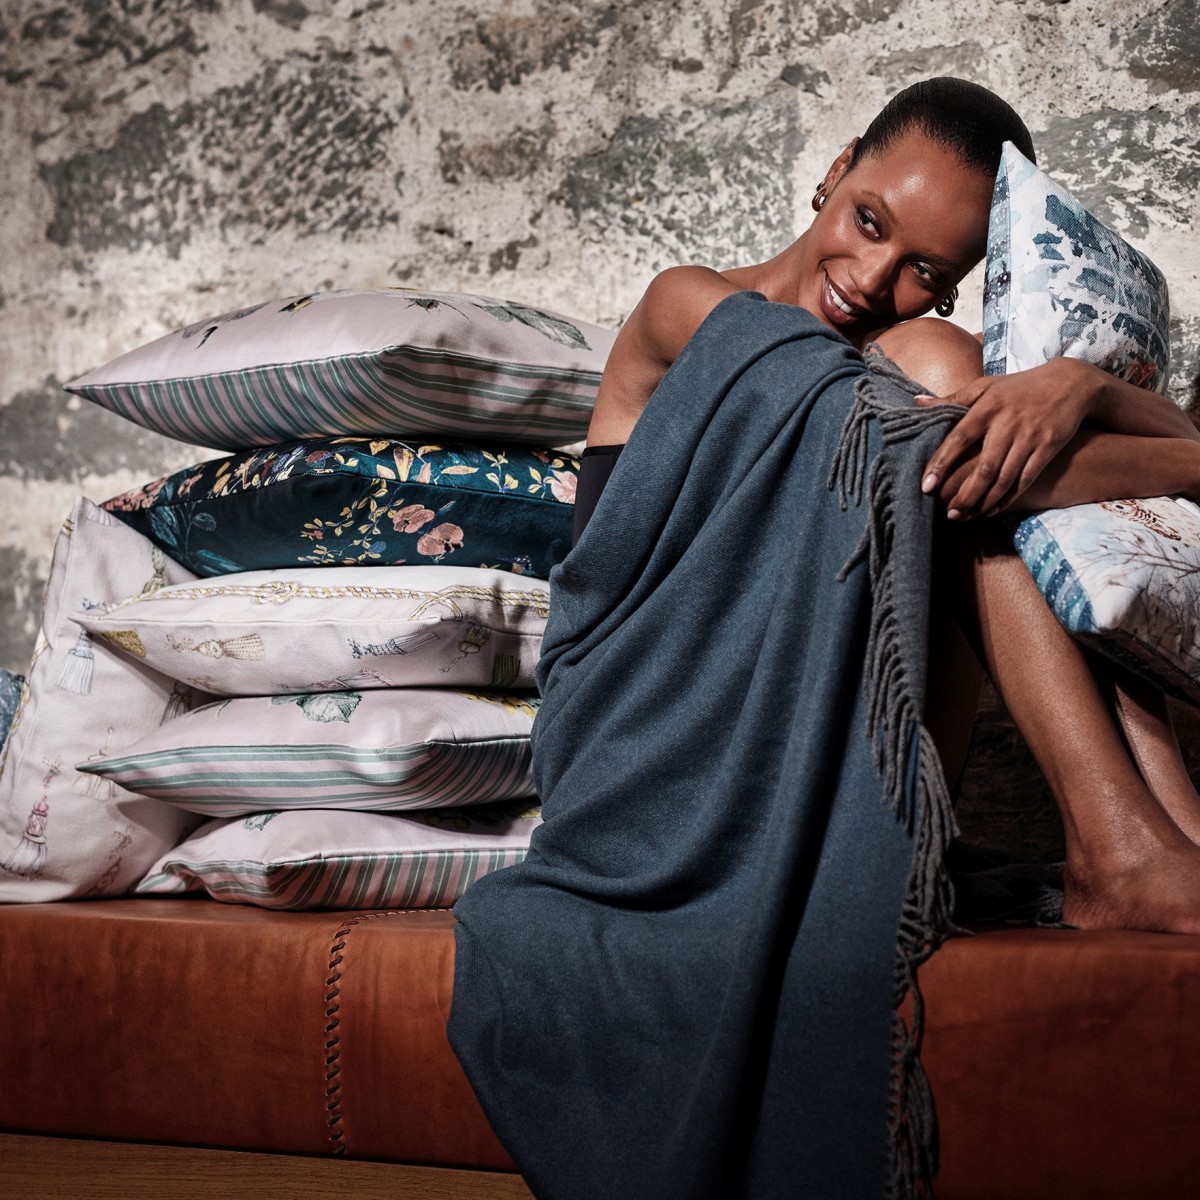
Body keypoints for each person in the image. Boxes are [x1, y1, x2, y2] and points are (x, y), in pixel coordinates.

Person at [577, 75, 1200, 935]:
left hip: (844, 754)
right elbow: (940, 464)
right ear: (837, 171)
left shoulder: (918, 356)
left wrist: (1079, 387)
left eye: (925, 270)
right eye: (870, 221)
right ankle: (1121, 848)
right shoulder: (683, 305)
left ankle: (1169, 830)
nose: (871, 280)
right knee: (953, 450)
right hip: (647, 751)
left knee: (966, 409)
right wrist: (1184, 462)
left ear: (954, 282)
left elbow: (975, 454)